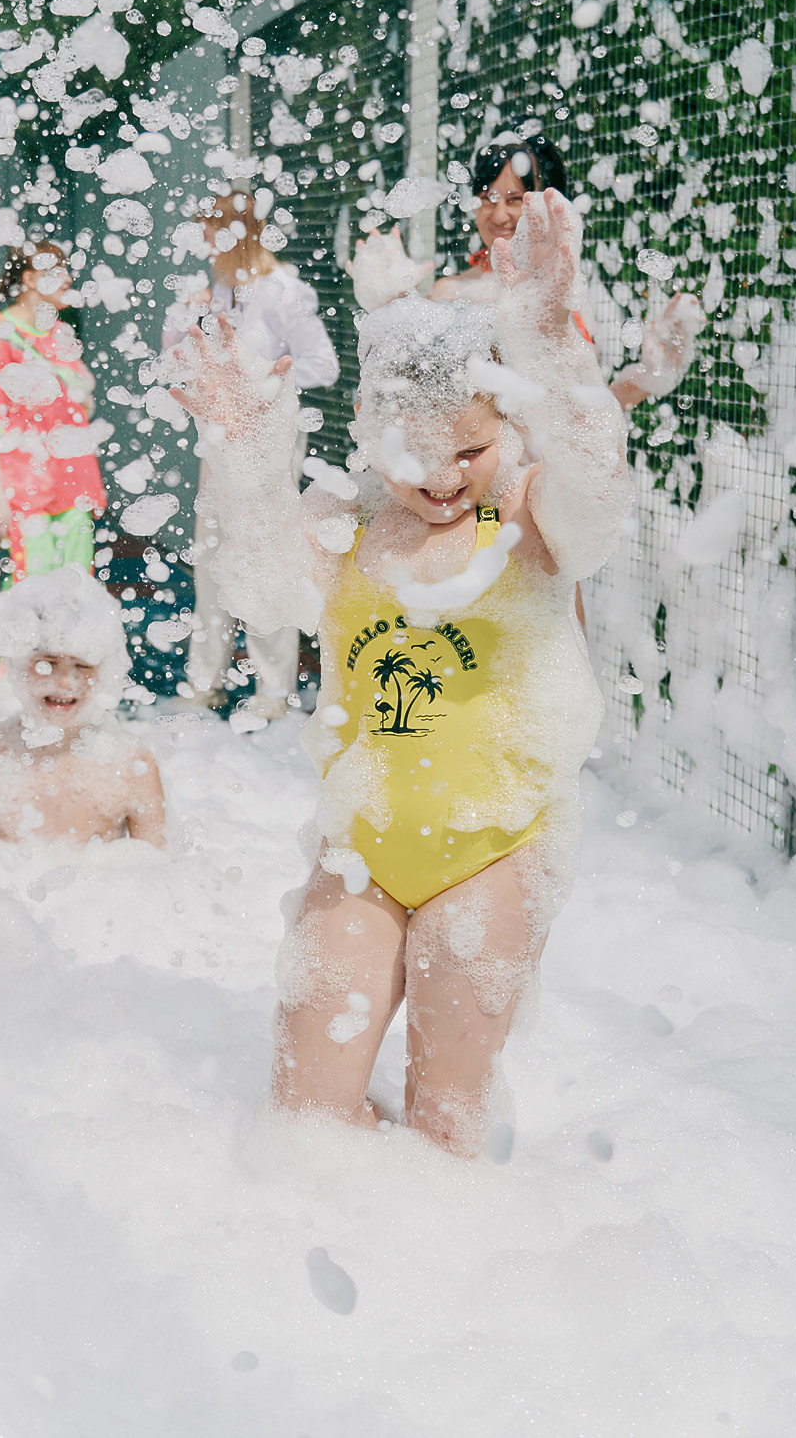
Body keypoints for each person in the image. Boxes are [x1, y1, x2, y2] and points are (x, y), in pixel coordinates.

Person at [167, 190, 627, 1158]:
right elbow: (254, 577)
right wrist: (247, 448)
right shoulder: (342, 525)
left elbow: (600, 498)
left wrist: (553, 352)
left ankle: (440, 1278)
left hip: (490, 857)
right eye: (419, 453)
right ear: (372, 427)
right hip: (364, 854)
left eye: (473, 446)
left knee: (444, 1134)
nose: (449, 476)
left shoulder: (526, 519)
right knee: (304, 1121)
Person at [164, 189, 337, 721]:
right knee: (211, 561)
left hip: (270, 446)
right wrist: (180, 325)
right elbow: (170, 369)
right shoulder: (207, 293)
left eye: (212, 229)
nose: (205, 241)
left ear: (243, 232)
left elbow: (322, 365)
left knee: (267, 560)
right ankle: (204, 683)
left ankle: (271, 692)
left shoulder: (283, 290)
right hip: (218, 446)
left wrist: (258, 390)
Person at [400, 138, 706, 410]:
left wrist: (653, 374)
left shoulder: (562, 294)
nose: (499, 215)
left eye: (515, 199)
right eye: (487, 199)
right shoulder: (448, 293)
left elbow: (590, 415)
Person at [0, 568, 165, 847]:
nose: (65, 683)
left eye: (82, 665)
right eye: (47, 663)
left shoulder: (132, 766)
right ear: (17, 663)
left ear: (105, 670)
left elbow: (158, 876)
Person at [0, 240, 106, 583]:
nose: (69, 279)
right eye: (56, 272)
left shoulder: (60, 333)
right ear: (29, 280)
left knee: (77, 586)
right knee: (30, 586)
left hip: (74, 480)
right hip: (28, 486)